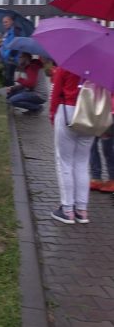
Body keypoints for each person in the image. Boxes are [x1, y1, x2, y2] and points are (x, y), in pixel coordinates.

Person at [49, 66, 96, 224]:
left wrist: (52, 114)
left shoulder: (69, 63)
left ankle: (67, 209)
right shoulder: (104, 66)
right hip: (91, 113)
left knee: (65, 161)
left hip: (68, 110)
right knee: (82, 162)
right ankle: (81, 210)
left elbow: (56, 92)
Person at [90, 96, 114, 193]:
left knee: (107, 148)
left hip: (109, 114)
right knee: (92, 145)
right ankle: (96, 178)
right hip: (95, 112)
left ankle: (112, 178)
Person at [0, 15, 22, 87]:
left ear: (12, 21)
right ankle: (9, 95)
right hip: (5, 59)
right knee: (6, 79)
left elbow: (15, 45)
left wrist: (11, 56)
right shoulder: (7, 32)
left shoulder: (15, 31)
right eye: (3, 22)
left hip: (11, 60)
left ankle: (11, 96)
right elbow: (6, 44)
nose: (4, 24)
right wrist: (0, 44)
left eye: (6, 22)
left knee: (9, 79)